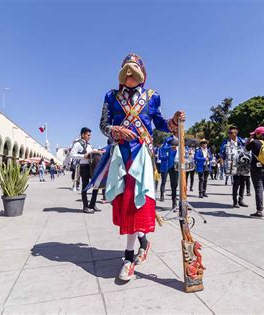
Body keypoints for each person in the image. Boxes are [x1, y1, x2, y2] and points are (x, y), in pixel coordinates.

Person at [97, 53, 184, 281]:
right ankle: (143, 242)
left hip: (143, 157)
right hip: (120, 156)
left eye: (134, 72)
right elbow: (103, 125)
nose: (129, 77)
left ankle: (128, 257)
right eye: (126, 72)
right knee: (124, 204)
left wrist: (174, 122)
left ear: (142, 74)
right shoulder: (111, 96)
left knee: (137, 203)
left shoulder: (152, 97)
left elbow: (161, 124)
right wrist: (116, 130)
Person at [70, 127, 104, 213]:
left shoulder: (89, 145)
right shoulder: (77, 144)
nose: (90, 136)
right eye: (88, 135)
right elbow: (72, 154)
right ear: (82, 134)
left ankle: (92, 204)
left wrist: (98, 151)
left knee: (96, 185)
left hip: (91, 166)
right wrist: (83, 156)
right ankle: (85, 206)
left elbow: (92, 152)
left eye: (90, 135)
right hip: (84, 166)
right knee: (85, 186)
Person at [246, 126, 264, 219]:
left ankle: (259, 211)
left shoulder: (255, 142)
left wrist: (250, 137)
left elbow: (246, 148)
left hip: (257, 169)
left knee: (259, 189)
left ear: (258, 134)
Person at [159, 135, 179, 210]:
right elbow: (163, 149)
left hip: (180, 167)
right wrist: (171, 147)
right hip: (171, 166)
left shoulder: (183, 144)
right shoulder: (169, 143)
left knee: (178, 184)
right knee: (172, 185)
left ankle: (182, 203)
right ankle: (174, 203)